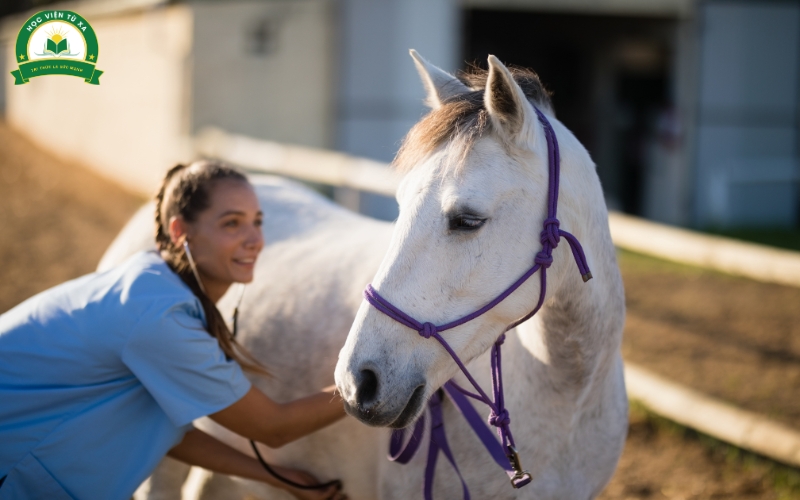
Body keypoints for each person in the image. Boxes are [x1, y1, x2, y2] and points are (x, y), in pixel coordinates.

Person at [0, 161, 347, 500]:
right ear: (181, 232)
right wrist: (370, 381)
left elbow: (165, 432)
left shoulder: (154, 287)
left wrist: (277, 478)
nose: (255, 239)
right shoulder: (158, 318)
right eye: (232, 224)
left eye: (257, 222)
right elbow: (273, 427)